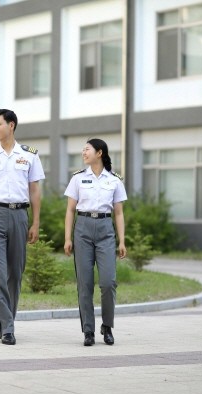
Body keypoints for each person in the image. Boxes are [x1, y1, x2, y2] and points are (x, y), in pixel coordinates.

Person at [0, 108, 45, 346]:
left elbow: (34, 190)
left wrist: (35, 222)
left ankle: (5, 322)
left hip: (20, 216)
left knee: (15, 272)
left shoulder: (30, 155)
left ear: (11, 126)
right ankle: (8, 327)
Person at [63, 138, 127, 346]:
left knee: (108, 282)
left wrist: (122, 241)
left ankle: (107, 326)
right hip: (82, 229)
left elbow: (118, 213)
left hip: (105, 229)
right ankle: (88, 331)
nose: (84, 152)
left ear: (99, 153)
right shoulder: (78, 179)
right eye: (83, 150)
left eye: (87, 149)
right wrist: (67, 238)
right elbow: (70, 210)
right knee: (85, 283)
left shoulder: (114, 180)